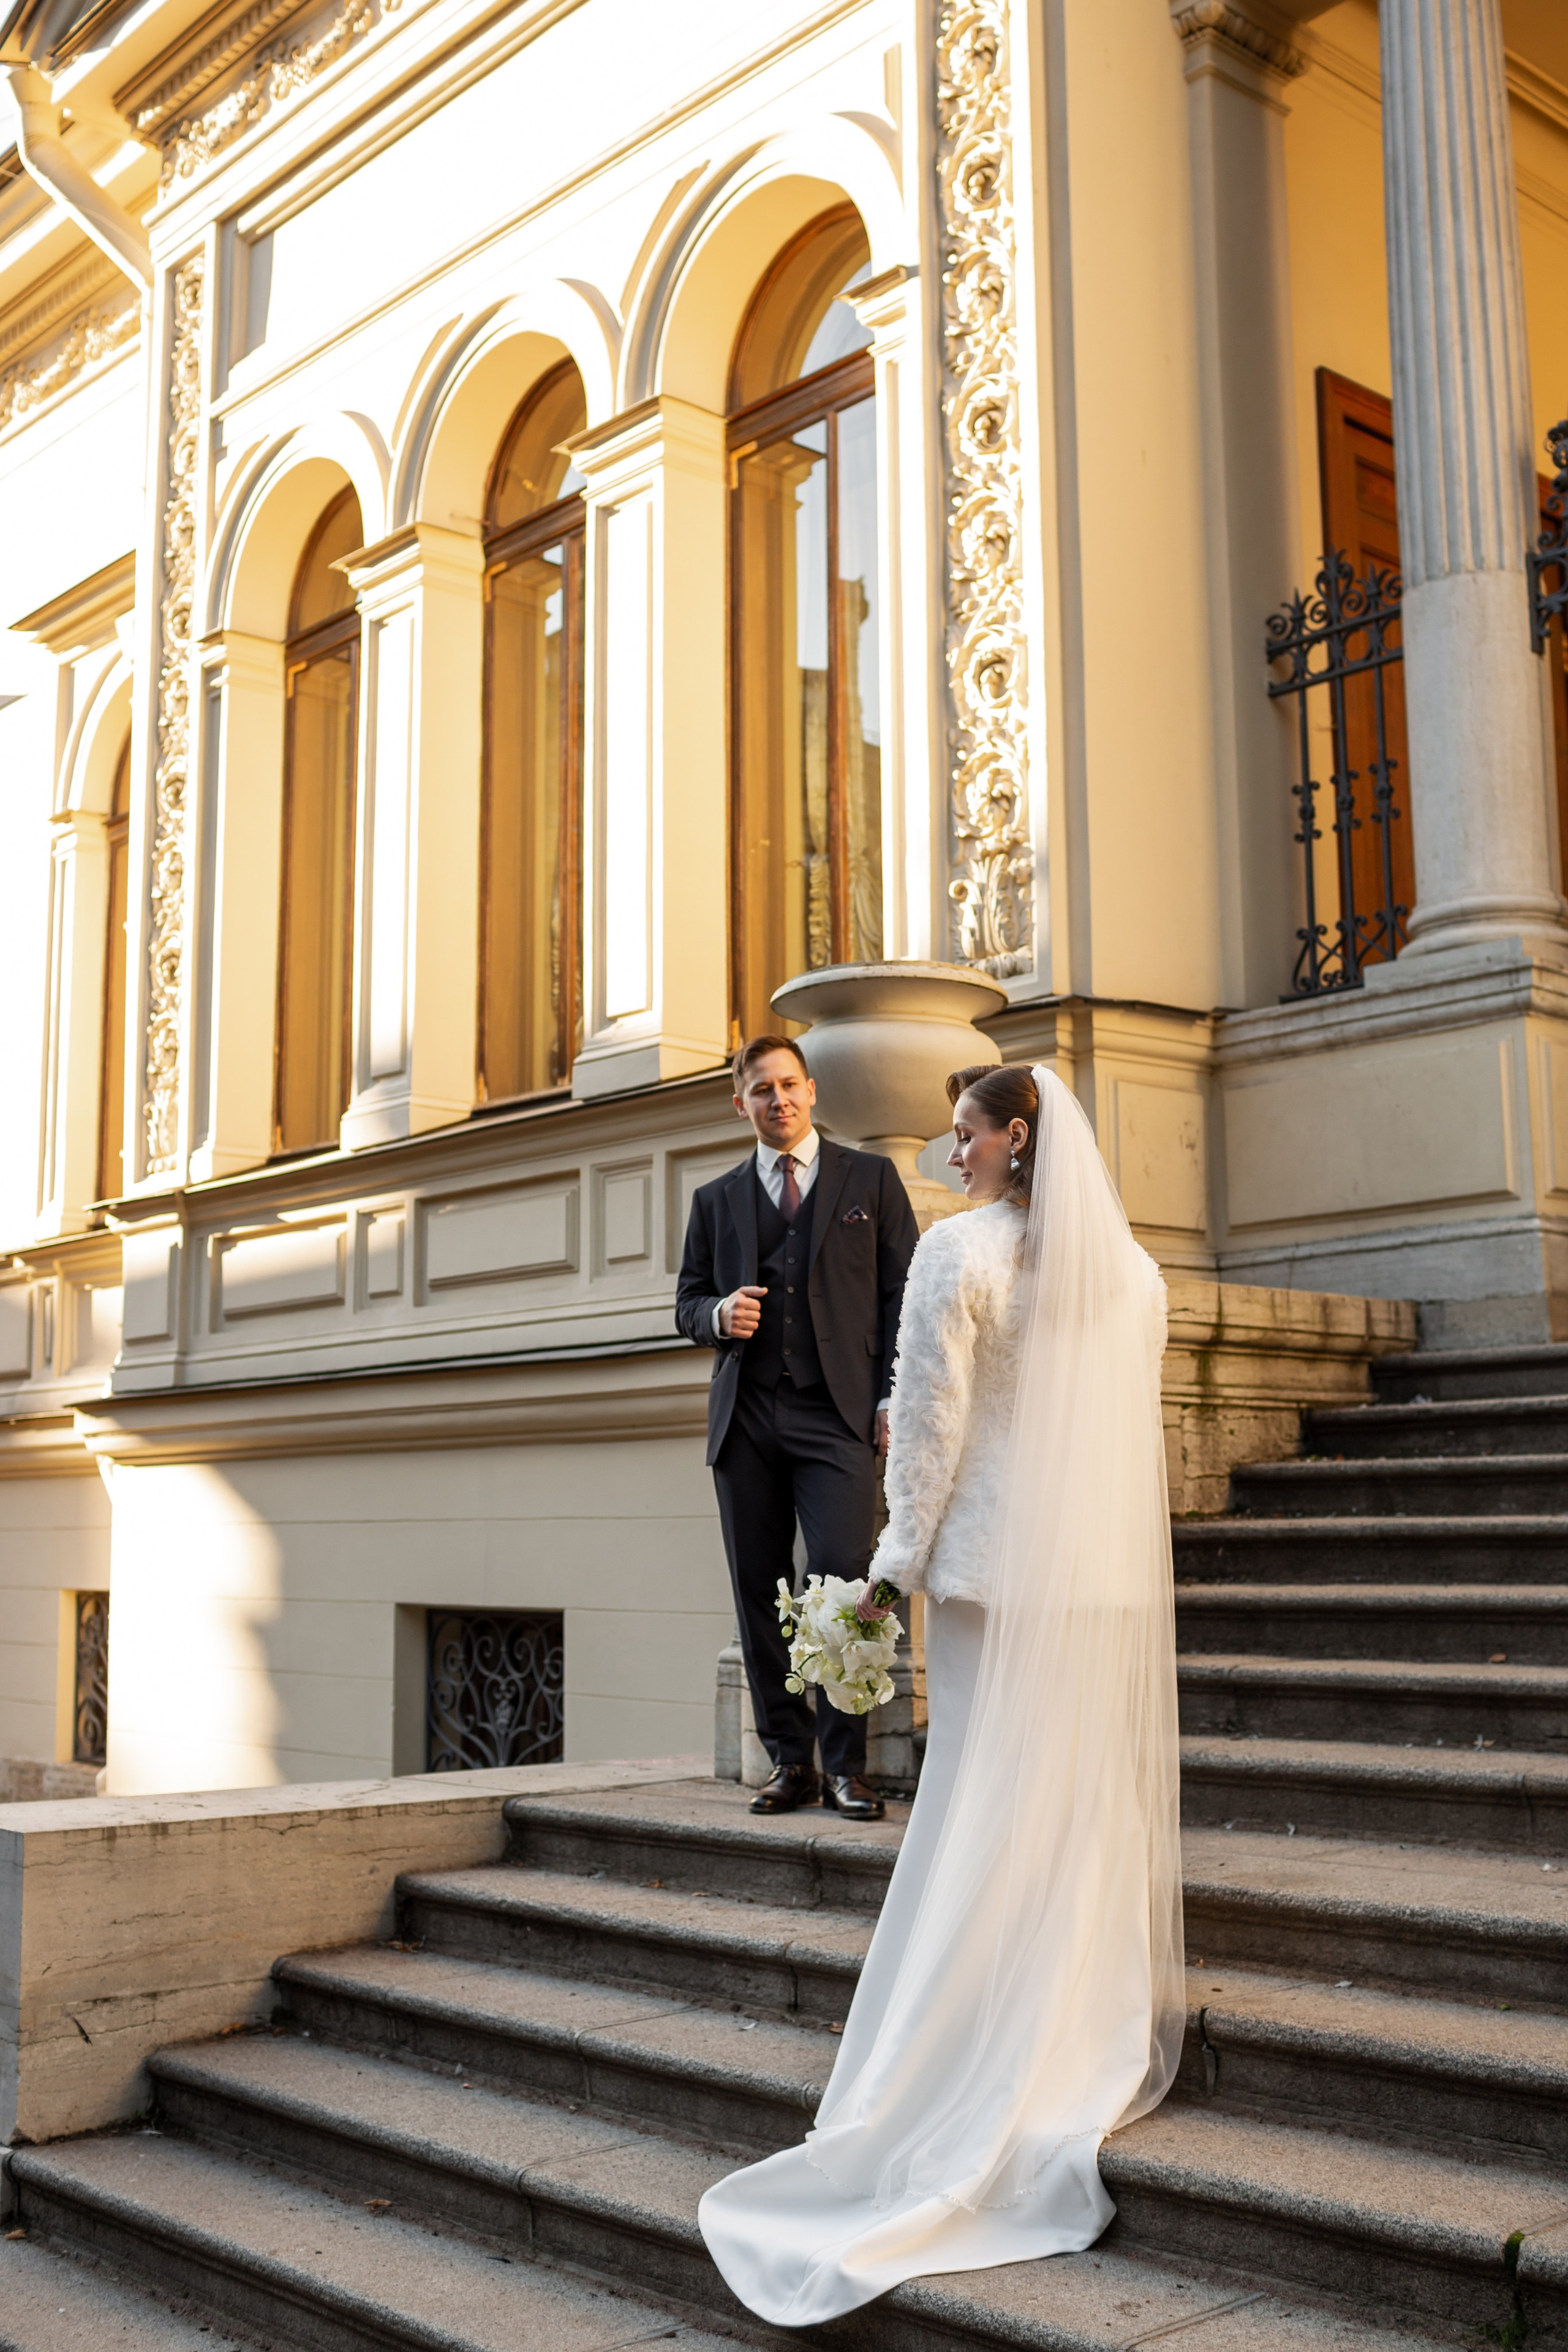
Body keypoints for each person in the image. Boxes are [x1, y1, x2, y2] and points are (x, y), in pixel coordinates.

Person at [698, 1062, 1183, 2324]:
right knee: (1073, 1795)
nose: (946, 1151)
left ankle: (968, 2045)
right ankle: (1076, 2014)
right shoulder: (1130, 1274)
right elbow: (1127, 1435)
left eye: (962, 1133)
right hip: (1095, 1576)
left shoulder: (961, 1257)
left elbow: (928, 1434)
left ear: (1013, 1139)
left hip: (978, 1576)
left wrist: (884, 1577)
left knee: (981, 1797)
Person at [676, 1035, 920, 1822]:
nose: (776, 1100)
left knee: (846, 1584)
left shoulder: (870, 1181)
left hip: (837, 1415)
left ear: (810, 1091)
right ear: (738, 1102)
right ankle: (791, 1763)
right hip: (747, 1417)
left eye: (788, 1085)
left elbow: (903, 1300)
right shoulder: (715, 1200)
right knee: (759, 1592)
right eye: (759, 1090)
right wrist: (717, 1314)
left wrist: (892, 1398)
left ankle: (847, 1765)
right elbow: (686, 1302)